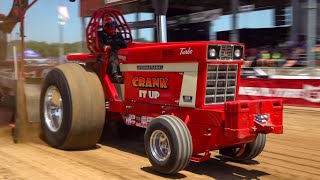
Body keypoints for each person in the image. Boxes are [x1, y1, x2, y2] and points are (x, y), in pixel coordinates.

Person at [98, 17, 127, 83]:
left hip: (120, 52)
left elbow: (124, 45)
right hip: (109, 53)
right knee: (114, 56)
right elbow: (99, 43)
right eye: (110, 26)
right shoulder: (101, 34)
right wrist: (104, 46)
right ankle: (115, 76)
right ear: (105, 27)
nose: (113, 28)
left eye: (114, 25)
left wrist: (118, 40)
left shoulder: (118, 35)